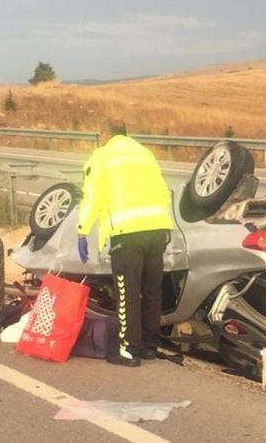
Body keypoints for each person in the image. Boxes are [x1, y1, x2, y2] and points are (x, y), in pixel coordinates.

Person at [77, 118, 174, 367]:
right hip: (157, 229)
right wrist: (166, 224)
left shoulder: (103, 156)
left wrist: (82, 230)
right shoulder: (144, 154)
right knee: (152, 289)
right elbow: (163, 191)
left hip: (127, 231)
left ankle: (129, 349)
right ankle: (151, 345)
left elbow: (92, 196)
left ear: (104, 134)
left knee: (127, 292)